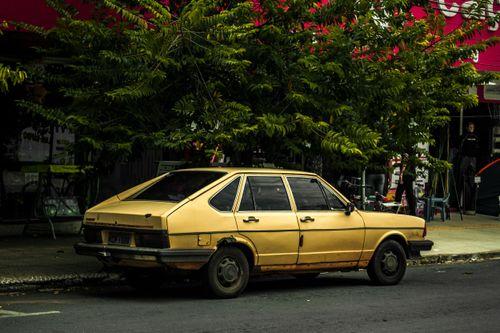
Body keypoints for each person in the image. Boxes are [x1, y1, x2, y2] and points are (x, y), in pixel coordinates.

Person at [459, 122, 480, 214]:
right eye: (470, 127)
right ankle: (461, 204)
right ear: (467, 128)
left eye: (473, 127)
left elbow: (478, 148)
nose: (471, 128)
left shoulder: (476, 137)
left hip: (473, 158)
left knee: (472, 180)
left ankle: (471, 205)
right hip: (466, 158)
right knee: (462, 177)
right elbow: (461, 147)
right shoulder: (465, 136)